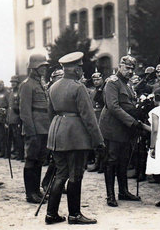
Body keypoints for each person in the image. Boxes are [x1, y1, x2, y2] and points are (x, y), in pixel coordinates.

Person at [45, 52, 105, 225]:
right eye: (78, 67)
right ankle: (74, 214)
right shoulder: (78, 88)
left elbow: (51, 114)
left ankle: (51, 214)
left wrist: (57, 130)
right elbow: (89, 117)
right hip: (75, 136)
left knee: (60, 175)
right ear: (72, 69)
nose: (81, 70)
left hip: (57, 134)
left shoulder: (53, 87)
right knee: (75, 175)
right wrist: (98, 141)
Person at [99, 52, 146, 207]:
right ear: (119, 67)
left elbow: (131, 104)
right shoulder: (112, 82)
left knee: (124, 161)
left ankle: (123, 191)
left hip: (126, 129)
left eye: (132, 69)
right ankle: (110, 195)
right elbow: (113, 106)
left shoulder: (129, 84)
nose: (130, 71)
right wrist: (132, 122)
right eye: (127, 68)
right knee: (111, 161)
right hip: (113, 128)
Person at [19, 54, 50, 204]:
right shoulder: (27, 85)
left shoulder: (40, 84)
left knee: (39, 160)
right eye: (41, 66)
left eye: (45, 66)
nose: (44, 68)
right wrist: (31, 131)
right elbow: (25, 111)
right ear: (34, 68)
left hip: (43, 128)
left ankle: (37, 191)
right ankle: (30, 193)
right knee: (31, 160)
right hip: (34, 130)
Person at [87, 69, 105, 173]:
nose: (96, 81)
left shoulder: (105, 90)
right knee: (95, 143)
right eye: (94, 80)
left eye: (98, 79)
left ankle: (102, 164)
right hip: (94, 118)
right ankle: (97, 162)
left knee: (103, 142)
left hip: (102, 117)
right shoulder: (92, 92)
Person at [7, 75, 24, 161]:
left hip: (17, 118)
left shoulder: (19, 92)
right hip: (11, 119)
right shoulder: (11, 92)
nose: (13, 84)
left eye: (14, 82)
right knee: (14, 138)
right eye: (12, 82)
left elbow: (20, 106)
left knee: (18, 138)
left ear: (17, 83)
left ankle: (21, 155)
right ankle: (16, 153)